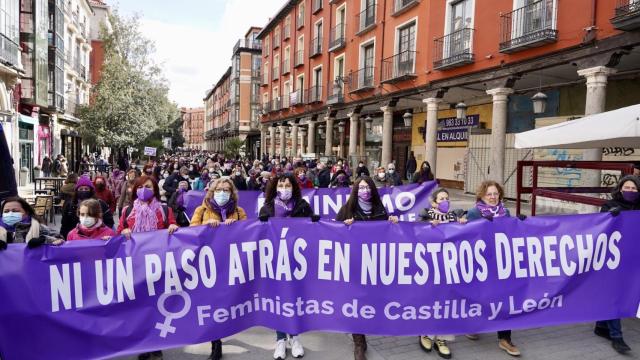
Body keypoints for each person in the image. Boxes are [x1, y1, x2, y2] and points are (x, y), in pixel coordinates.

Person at [335, 176, 398, 360]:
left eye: (368, 187)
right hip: (353, 264)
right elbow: (332, 232)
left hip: (374, 264)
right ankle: (359, 342)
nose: (365, 191)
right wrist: (344, 227)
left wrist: (392, 223)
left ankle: (369, 327)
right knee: (356, 302)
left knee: (371, 300)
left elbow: (388, 235)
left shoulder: (380, 210)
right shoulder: (347, 209)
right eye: (361, 187)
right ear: (355, 190)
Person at [116, 176, 178, 360]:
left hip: (159, 265)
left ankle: (156, 344)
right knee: (140, 308)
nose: (144, 189)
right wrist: (123, 232)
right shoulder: (128, 211)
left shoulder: (165, 210)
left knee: (156, 306)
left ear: (155, 189)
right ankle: (143, 344)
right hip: (136, 266)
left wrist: (174, 226)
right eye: (141, 186)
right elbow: (118, 232)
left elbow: (175, 230)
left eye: (148, 186)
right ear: (135, 189)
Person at [259, 173, 319, 360]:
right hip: (275, 262)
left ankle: (295, 337)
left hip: (298, 262)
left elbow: (315, 231)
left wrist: (315, 221)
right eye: (281, 185)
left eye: (287, 185)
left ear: (293, 187)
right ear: (275, 187)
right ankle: (280, 340)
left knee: (295, 299)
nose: (284, 188)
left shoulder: (302, 206)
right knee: (279, 300)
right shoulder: (267, 208)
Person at [190, 178, 247, 360]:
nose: (222, 193)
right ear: (212, 191)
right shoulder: (202, 210)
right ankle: (216, 343)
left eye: (227, 190)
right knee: (212, 303)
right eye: (219, 189)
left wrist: (236, 226)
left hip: (230, 264)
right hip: (209, 265)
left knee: (228, 303)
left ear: (232, 193)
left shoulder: (238, 212)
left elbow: (248, 233)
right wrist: (205, 228)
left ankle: (225, 330)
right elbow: (190, 232)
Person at [465, 180, 521, 357]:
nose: (492, 197)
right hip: (481, 263)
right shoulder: (474, 212)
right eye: (489, 194)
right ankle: (474, 325)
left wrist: (520, 224)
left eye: (496, 193)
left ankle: (505, 339)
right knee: (480, 296)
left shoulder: (507, 212)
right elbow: (467, 235)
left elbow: (512, 233)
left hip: (501, 262)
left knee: (505, 298)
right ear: (482, 195)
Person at [417, 188, 466, 359]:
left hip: (449, 266)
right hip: (430, 265)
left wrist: (463, 224)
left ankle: (442, 339)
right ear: (434, 202)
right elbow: (414, 235)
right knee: (430, 299)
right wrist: (428, 227)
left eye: (447, 198)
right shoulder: (425, 215)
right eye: (441, 198)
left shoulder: (454, 216)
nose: (445, 201)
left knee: (447, 301)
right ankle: (426, 333)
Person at [594, 175, 639, 354]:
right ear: (620, 189)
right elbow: (599, 226)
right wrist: (609, 216)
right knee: (616, 294)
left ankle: (601, 326)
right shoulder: (610, 205)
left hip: (633, 258)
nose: (630, 191)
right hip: (614, 259)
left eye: (634, 188)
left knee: (625, 292)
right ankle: (617, 336)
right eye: (627, 188)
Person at [60, 175, 115, 240]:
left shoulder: (100, 204)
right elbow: (65, 225)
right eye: (81, 189)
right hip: (76, 240)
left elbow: (109, 221)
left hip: (99, 239)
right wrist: (63, 239)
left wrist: (105, 235)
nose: (83, 191)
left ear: (91, 190)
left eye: (86, 189)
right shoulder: (70, 205)